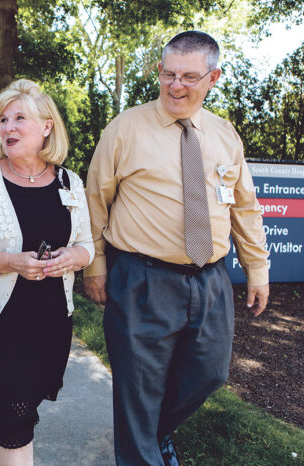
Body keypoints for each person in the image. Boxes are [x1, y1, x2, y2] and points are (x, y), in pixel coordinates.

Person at [83, 31, 270, 466]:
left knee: (209, 373)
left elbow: (245, 207)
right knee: (138, 388)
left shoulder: (225, 135)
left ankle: (154, 432)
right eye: (168, 74)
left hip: (210, 279)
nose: (176, 86)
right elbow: (95, 200)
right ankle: (144, 451)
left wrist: (257, 269)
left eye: (189, 76)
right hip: (143, 277)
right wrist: (94, 265)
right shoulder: (126, 128)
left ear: (213, 78)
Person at [0, 79, 94, 466]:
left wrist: (71, 258)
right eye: (2, 120)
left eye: (19, 119)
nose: (7, 128)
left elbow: (88, 246)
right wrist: (7, 261)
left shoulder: (70, 182)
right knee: (15, 420)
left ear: (47, 126)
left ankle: (4, 427)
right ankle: (6, 431)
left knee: (24, 409)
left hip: (50, 322)